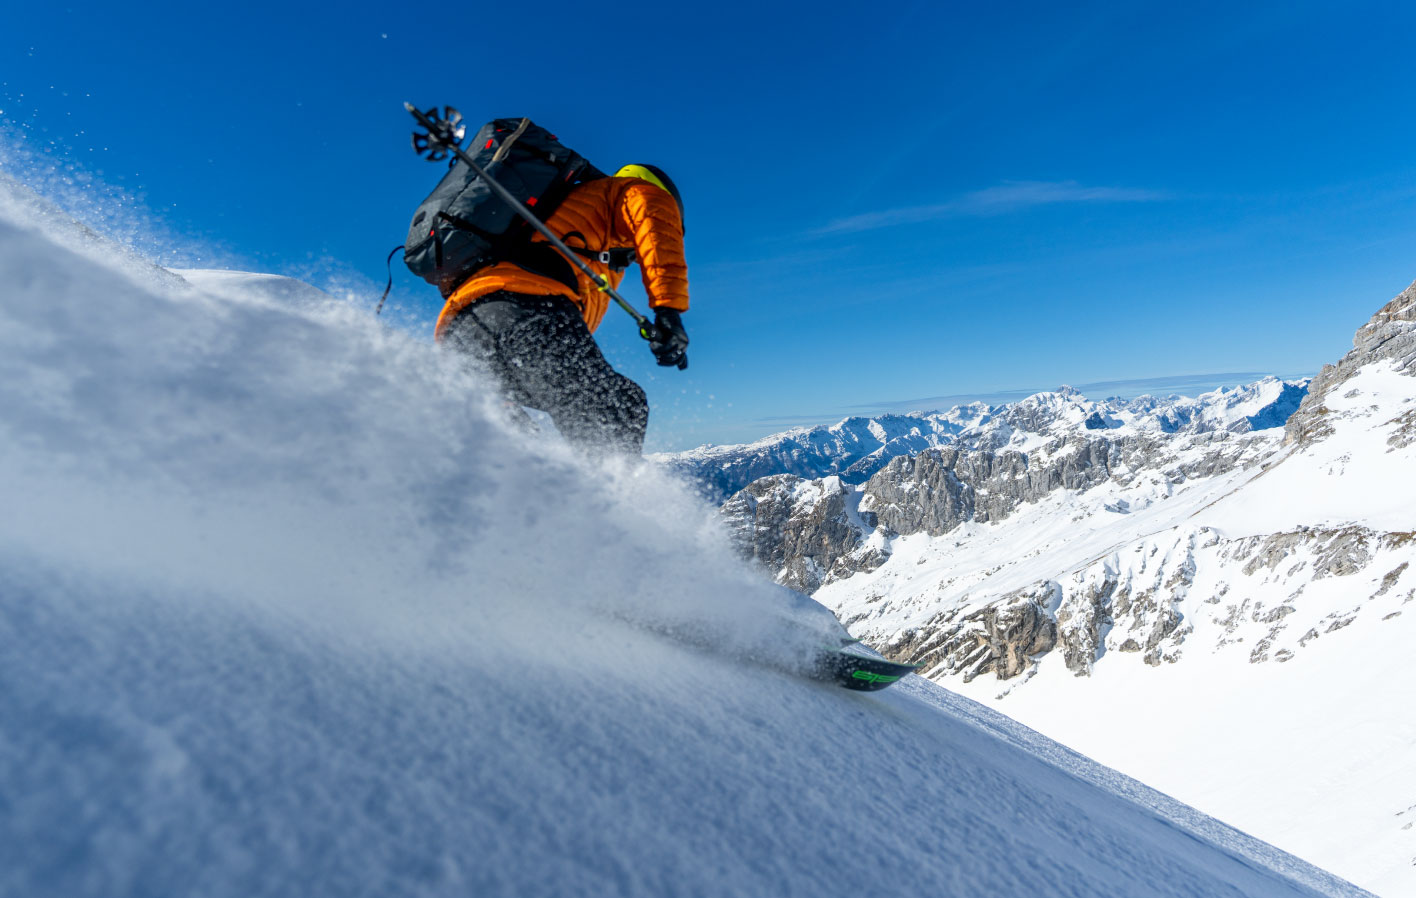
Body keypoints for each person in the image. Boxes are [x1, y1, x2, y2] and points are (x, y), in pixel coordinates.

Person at [434, 164, 689, 456]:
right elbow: (655, 224)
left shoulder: (580, 230)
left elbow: (564, 342)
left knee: (516, 447)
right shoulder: (633, 192)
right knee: (620, 405)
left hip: (462, 336)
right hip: (524, 307)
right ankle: (610, 499)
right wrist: (669, 310)